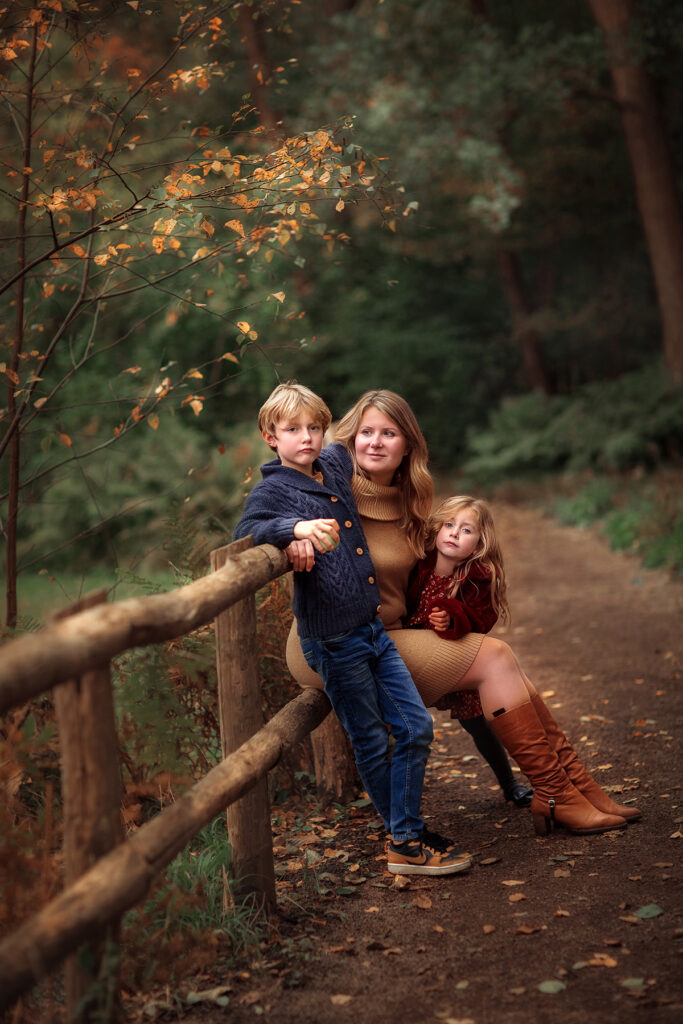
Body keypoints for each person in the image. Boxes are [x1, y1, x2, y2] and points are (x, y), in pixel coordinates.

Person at [286, 389, 641, 836]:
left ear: (408, 444)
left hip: (387, 637)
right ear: (350, 439)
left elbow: (437, 566)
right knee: (494, 659)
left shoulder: (412, 497)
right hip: (333, 643)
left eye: (389, 433)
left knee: (510, 672)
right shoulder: (329, 491)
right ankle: (556, 796)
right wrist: (292, 536)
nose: (375, 442)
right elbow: (278, 506)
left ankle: (576, 789)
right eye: (366, 432)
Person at [233, 382, 471, 876]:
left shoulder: (336, 465)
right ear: (269, 437)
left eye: (314, 428)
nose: (306, 437)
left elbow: (369, 432)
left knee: (415, 726)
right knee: (369, 738)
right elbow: (246, 533)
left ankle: (403, 832)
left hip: (372, 630)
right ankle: (405, 841)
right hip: (332, 639)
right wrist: (293, 532)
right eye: (292, 429)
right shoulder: (274, 490)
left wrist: (378, 426)